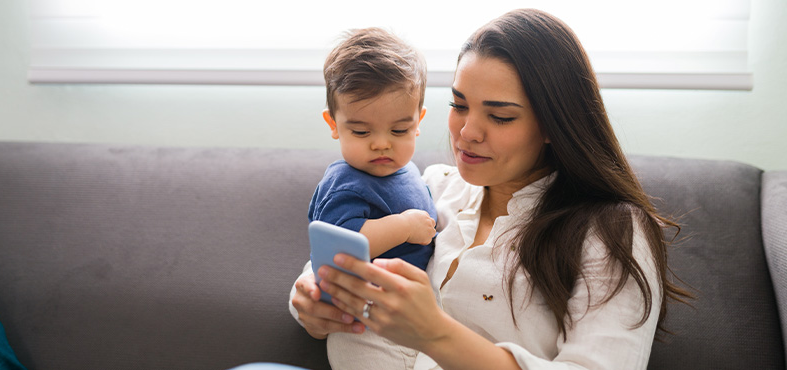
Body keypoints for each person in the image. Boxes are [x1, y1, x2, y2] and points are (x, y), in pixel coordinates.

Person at [290, 8, 691, 370]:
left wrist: (436, 334)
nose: (467, 133)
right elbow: (338, 252)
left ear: (553, 124)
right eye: (459, 105)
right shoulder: (430, 189)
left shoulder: (612, 232)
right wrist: (307, 301)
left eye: (499, 117)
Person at [303, 27, 438, 368]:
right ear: (333, 124)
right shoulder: (346, 183)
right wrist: (403, 227)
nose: (381, 143)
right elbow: (343, 248)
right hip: (363, 326)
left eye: (399, 130)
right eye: (361, 131)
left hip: (409, 318)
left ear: (418, 121)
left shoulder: (410, 172)